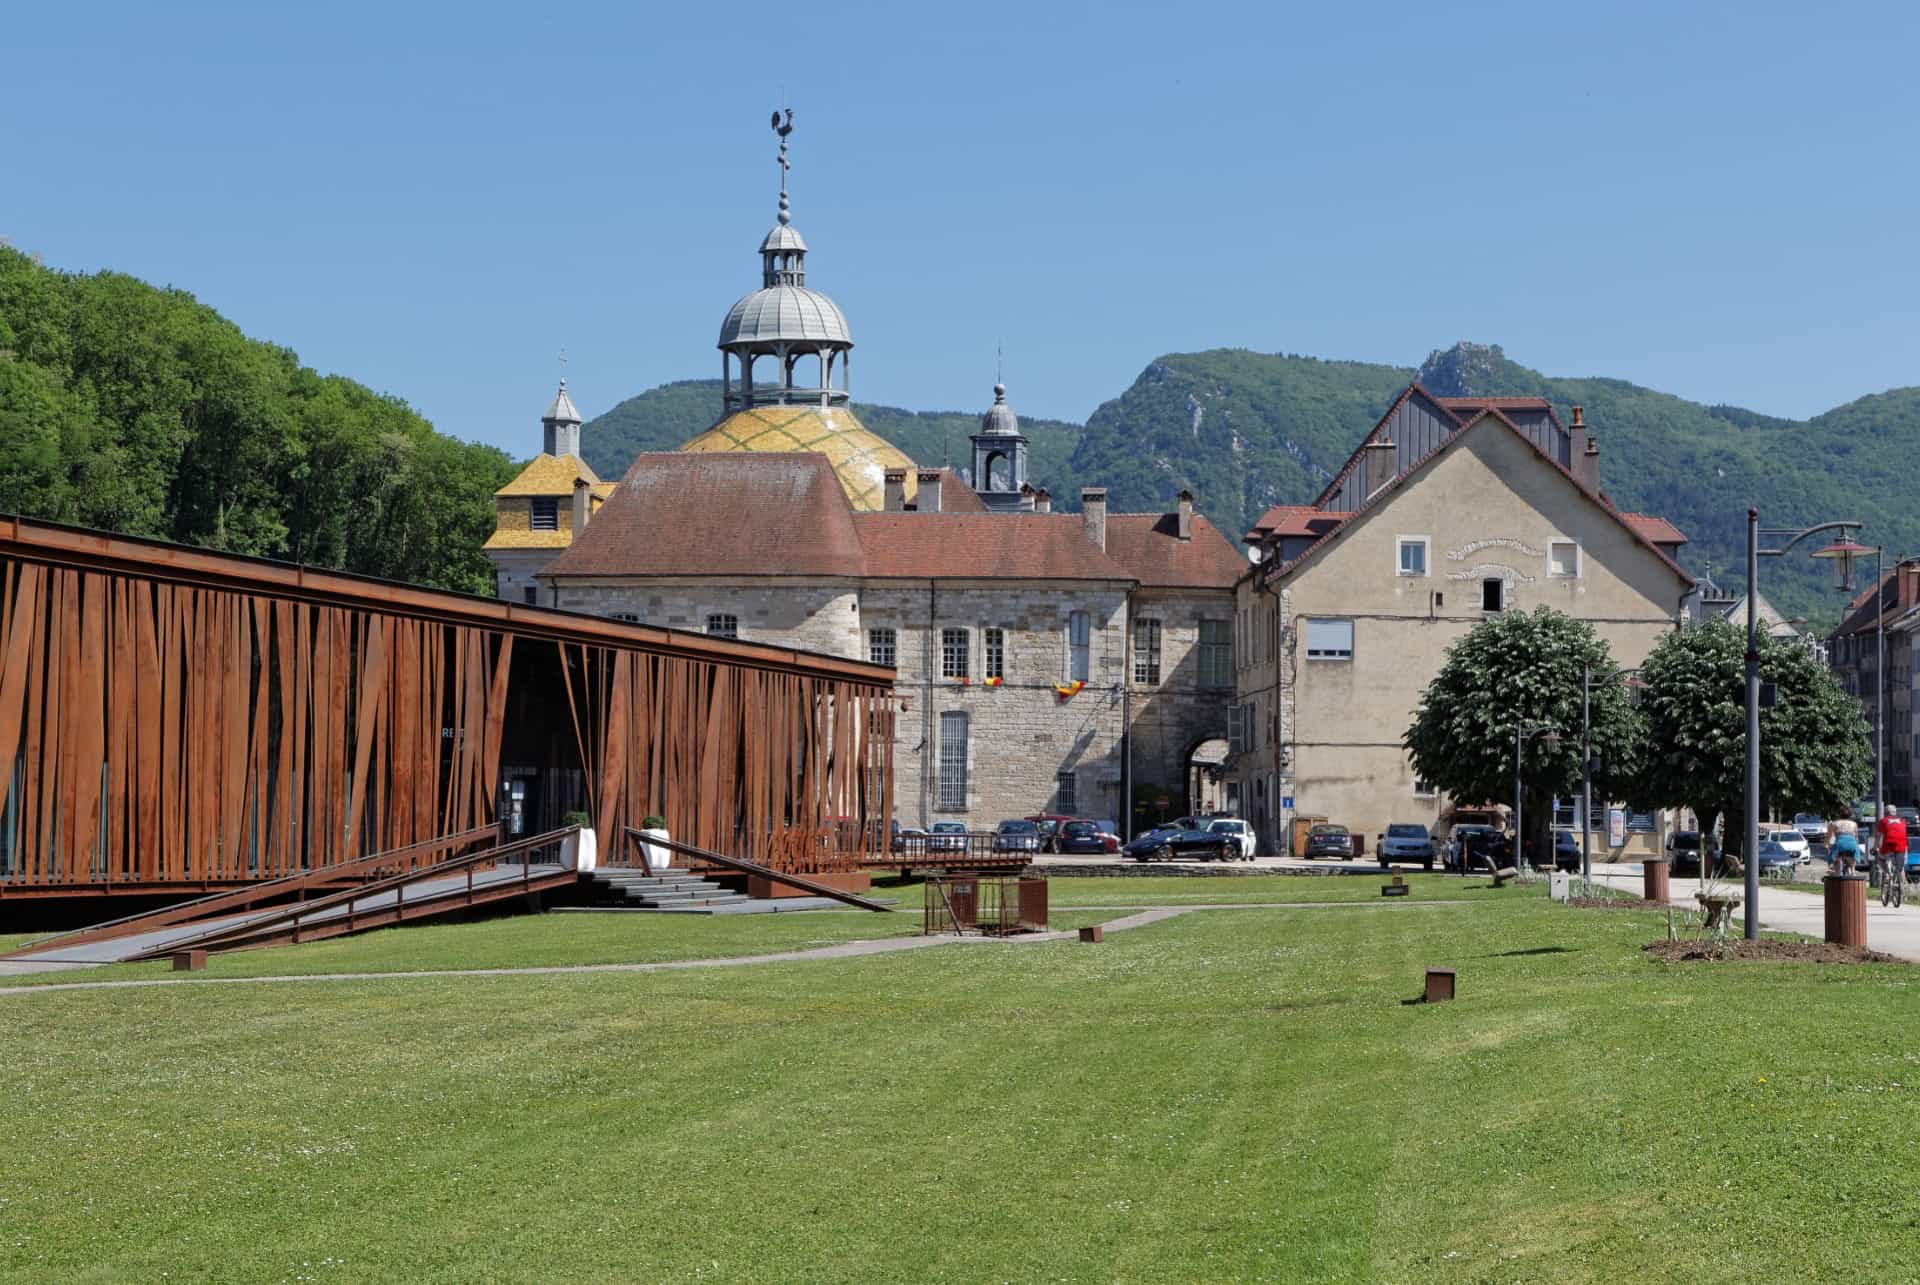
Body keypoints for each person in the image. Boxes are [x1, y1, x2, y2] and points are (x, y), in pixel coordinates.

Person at [1874, 810, 1908, 887]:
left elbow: (1878, 836)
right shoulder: (1902, 821)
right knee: (1901, 867)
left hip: (1888, 845)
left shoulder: (1883, 821)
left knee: (1879, 858)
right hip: (1902, 845)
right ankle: (1902, 888)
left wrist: (1875, 848)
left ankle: (1886, 874)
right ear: (1895, 813)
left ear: (1885, 813)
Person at [1829, 809, 1861, 875]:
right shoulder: (1854, 824)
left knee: (1835, 857)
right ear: (1850, 815)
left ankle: (1836, 872)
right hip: (1852, 844)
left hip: (1840, 844)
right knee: (1852, 856)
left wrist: (1827, 844)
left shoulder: (1835, 823)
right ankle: (1853, 871)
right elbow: (1856, 837)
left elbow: (1829, 837)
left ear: (1839, 814)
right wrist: (1857, 845)